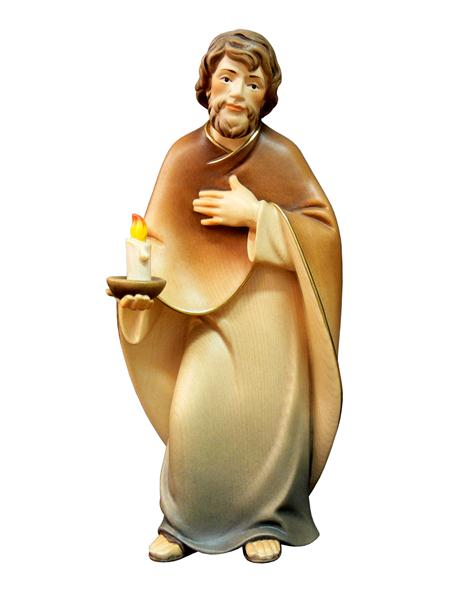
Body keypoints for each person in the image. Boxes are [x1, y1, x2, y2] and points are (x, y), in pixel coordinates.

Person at [115, 30, 342, 563]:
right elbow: (158, 247)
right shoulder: (183, 156)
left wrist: (258, 216)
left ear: (266, 96)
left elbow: (325, 235)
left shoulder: (282, 155)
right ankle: (185, 519)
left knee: (270, 419)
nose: (238, 93)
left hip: (271, 319)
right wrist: (140, 304)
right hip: (207, 318)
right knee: (194, 414)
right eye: (228, 78)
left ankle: (267, 518)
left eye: (253, 84)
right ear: (208, 87)